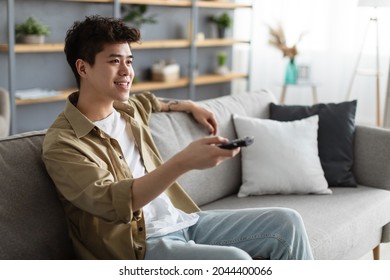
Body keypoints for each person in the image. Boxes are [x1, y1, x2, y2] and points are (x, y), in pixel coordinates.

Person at [42, 15, 314, 260]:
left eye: (129, 61)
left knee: (287, 222)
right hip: (140, 247)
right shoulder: (63, 144)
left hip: (182, 220)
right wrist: (184, 161)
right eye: (114, 61)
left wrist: (189, 105)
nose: (126, 72)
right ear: (83, 68)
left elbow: (151, 101)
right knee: (236, 262)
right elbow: (115, 203)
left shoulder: (129, 109)